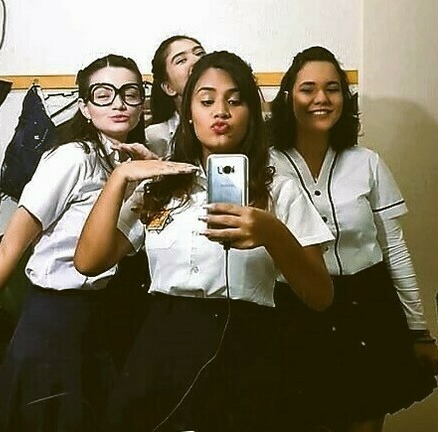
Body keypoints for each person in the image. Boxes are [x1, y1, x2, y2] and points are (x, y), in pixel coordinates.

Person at [75, 50, 335, 432]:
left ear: (251, 114)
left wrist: (271, 233)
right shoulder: (163, 186)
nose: (221, 112)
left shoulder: (279, 190)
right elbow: (88, 261)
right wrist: (120, 178)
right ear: (188, 113)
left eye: (235, 101)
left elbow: (321, 296)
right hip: (162, 348)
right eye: (207, 100)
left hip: (247, 348)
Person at [0, 53, 157, 431]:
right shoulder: (71, 159)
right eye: (103, 94)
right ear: (85, 107)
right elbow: (8, 249)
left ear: (142, 105)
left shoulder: (130, 166)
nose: (119, 103)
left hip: (100, 320)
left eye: (130, 93)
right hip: (53, 321)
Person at [267, 46, 438, 432]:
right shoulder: (265, 164)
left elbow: (394, 248)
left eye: (333, 89)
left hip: (367, 309)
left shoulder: (367, 162)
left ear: (345, 98)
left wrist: (418, 328)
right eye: (308, 89)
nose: (321, 98)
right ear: (288, 96)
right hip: (292, 311)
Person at [145, 35, 206, 157]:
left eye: (200, 54)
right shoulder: (155, 138)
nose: (196, 60)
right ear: (169, 87)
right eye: (181, 60)